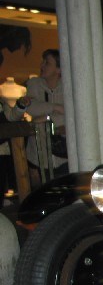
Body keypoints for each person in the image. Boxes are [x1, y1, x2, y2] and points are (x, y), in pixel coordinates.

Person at [22, 49, 67, 185]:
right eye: (42, 62)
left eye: (47, 63)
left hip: (63, 154)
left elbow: (72, 114)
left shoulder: (67, 87)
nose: (42, 65)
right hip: (38, 156)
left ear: (58, 69)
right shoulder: (34, 83)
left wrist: (48, 117)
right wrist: (56, 107)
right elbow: (31, 107)